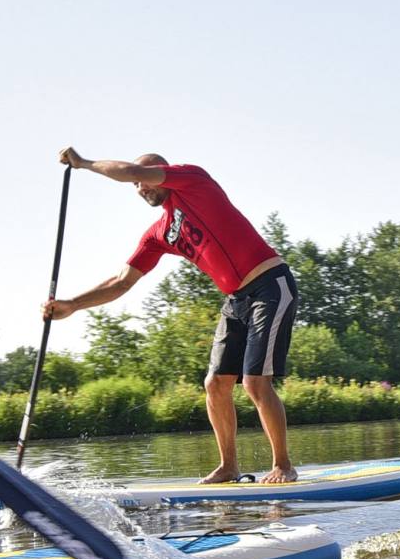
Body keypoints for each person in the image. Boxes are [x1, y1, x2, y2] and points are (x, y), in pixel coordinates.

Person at [44, 148, 298, 484]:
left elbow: (130, 171)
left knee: (254, 382)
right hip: (235, 299)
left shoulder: (193, 181)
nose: (139, 188)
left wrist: (84, 164)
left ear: (159, 172)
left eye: (143, 180)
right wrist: (73, 304)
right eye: (135, 186)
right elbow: (122, 282)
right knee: (215, 384)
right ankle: (228, 466)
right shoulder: (159, 233)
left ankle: (283, 465)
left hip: (270, 285)